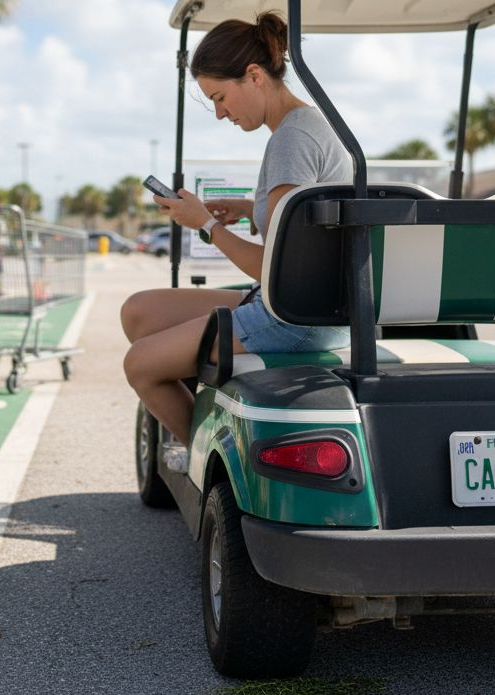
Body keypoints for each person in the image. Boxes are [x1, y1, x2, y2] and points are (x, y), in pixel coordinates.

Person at [121, 11, 353, 473]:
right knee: (139, 311)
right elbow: (298, 226)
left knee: (141, 365)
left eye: (221, 98)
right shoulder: (300, 129)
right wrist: (248, 210)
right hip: (295, 305)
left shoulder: (293, 139)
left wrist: (206, 225)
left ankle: (207, 460)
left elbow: (276, 270)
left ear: (254, 76)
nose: (222, 113)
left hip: (293, 317)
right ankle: (208, 406)